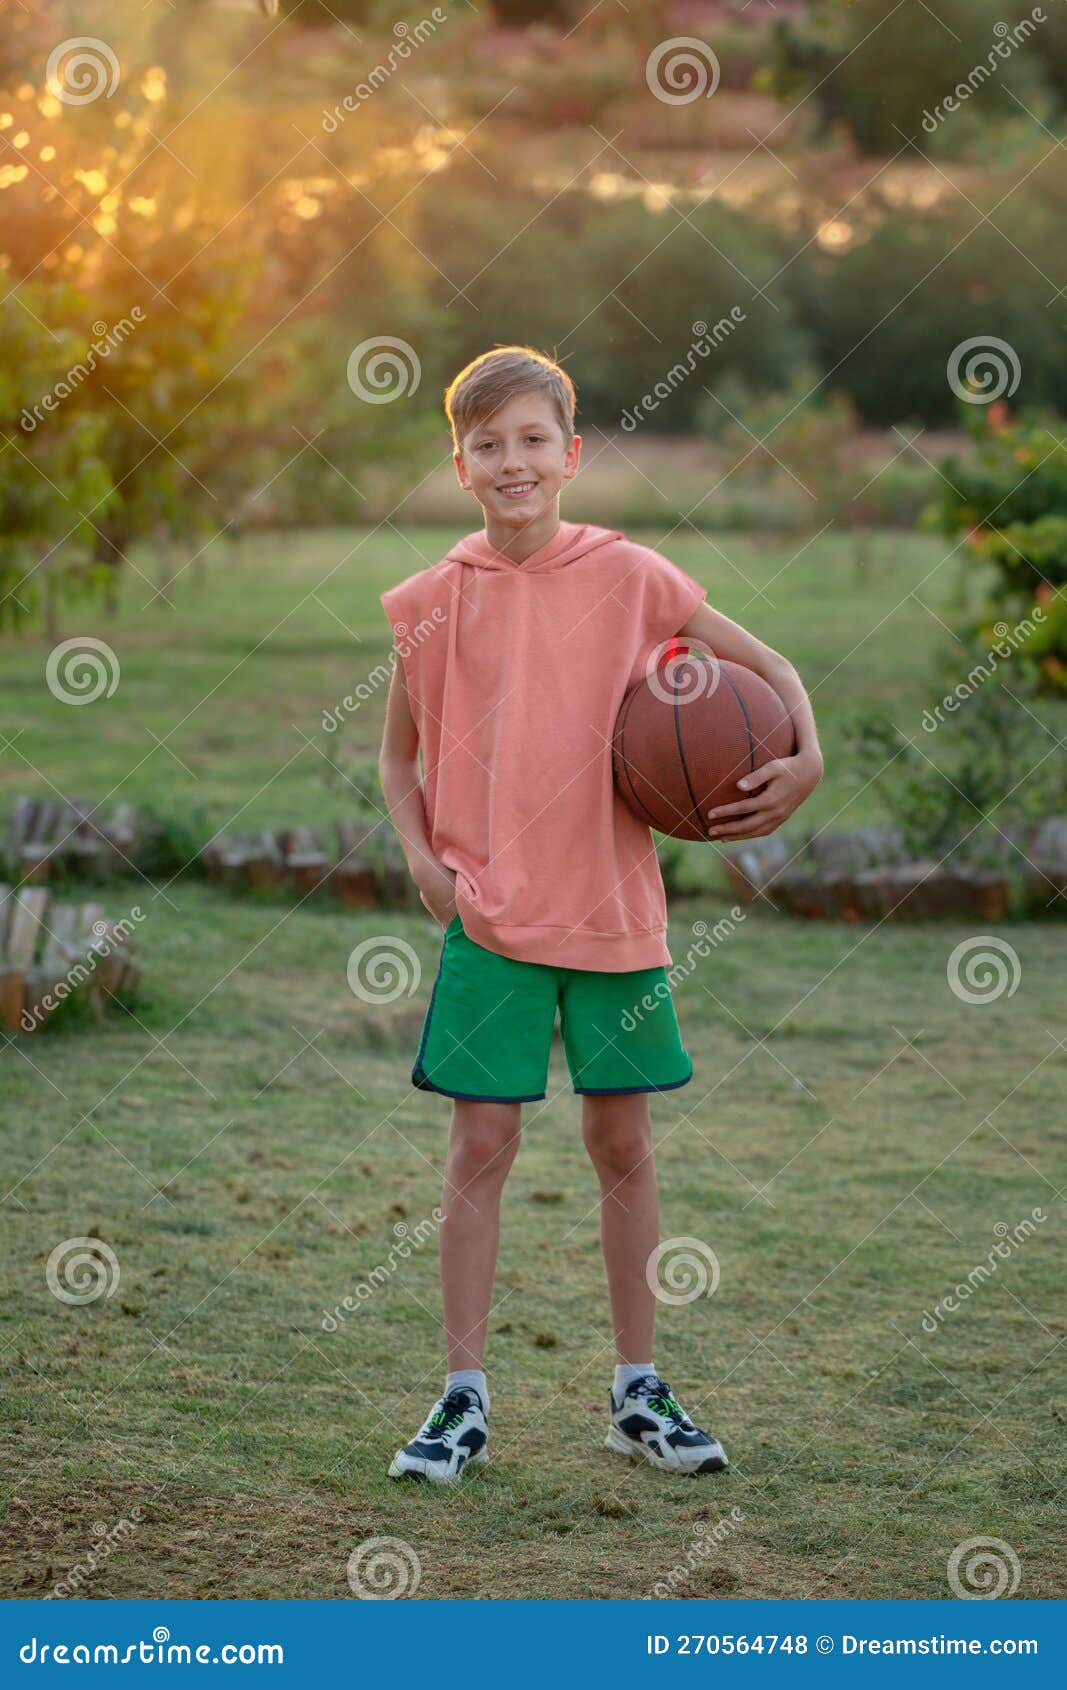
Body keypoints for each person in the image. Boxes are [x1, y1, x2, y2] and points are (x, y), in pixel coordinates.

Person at [377, 345, 823, 1485]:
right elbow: (395, 755)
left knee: (621, 1142)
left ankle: (638, 1390)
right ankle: (462, 1397)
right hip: (488, 919)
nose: (512, 462)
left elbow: (765, 664)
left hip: (614, 918)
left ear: (569, 456)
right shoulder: (433, 599)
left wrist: (805, 752)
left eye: (533, 440)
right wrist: (423, 858)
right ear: (460, 463)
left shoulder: (629, 575)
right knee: (479, 1143)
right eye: (489, 445)